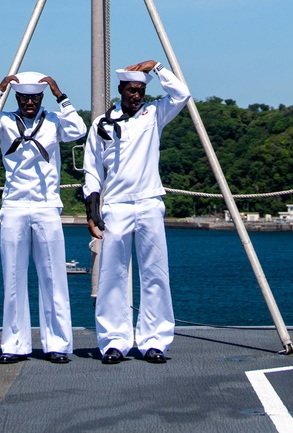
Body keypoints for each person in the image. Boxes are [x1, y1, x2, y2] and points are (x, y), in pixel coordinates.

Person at [0, 70, 86, 364]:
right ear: (18, 98)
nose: (29, 102)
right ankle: (14, 344)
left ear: (41, 97)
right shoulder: (5, 122)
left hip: (47, 205)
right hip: (14, 205)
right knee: (13, 277)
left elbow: (79, 130)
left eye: (34, 97)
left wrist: (61, 95)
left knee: (54, 277)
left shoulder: (55, 121)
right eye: (24, 98)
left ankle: (58, 344)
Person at [83, 58, 190, 364]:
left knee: (155, 272)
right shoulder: (102, 125)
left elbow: (181, 95)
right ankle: (114, 341)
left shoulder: (154, 114)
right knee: (112, 275)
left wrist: (156, 68)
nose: (135, 96)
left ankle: (154, 340)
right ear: (120, 90)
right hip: (116, 204)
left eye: (140, 91)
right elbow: (92, 170)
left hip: (149, 201)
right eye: (131, 91)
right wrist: (93, 210)